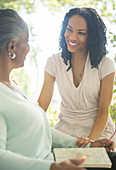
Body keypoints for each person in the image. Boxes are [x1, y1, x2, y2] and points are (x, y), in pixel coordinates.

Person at [0, 8, 116, 170]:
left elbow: (103, 111)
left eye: (81, 33)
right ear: (11, 46)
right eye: (27, 41)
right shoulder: (6, 95)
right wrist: (52, 166)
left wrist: (88, 146)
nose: (29, 49)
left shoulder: (12, 88)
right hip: (54, 154)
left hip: (80, 142)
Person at [38, 7, 116, 147]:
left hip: (98, 133)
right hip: (65, 131)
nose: (72, 37)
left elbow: (103, 111)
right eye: (69, 29)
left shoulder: (106, 64)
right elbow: (41, 106)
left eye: (81, 33)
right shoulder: (54, 62)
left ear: (91, 36)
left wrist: (89, 142)